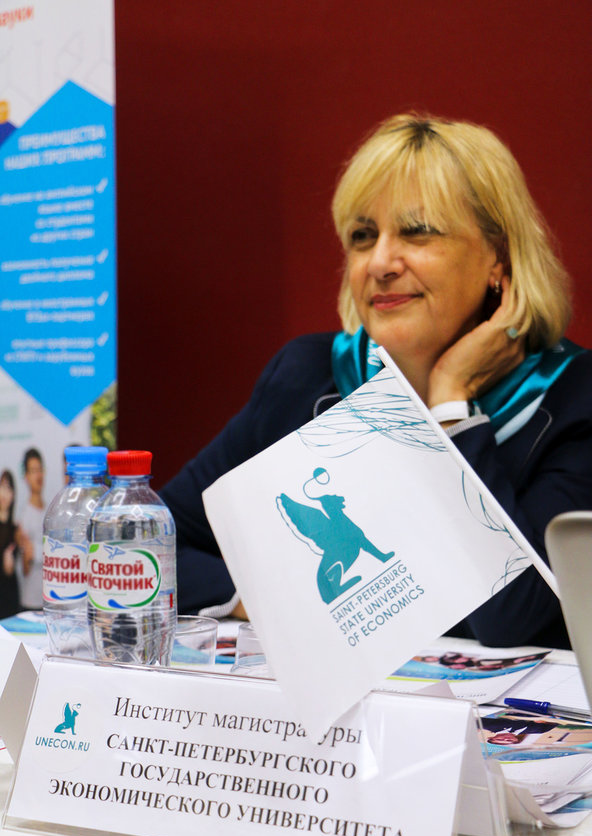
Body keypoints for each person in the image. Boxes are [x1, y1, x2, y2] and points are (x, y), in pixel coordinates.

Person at [160, 112, 592, 647]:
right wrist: (265, 602)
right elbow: (153, 540)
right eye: (363, 237)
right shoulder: (308, 375)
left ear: (497, 259)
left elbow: (512, 619)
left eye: (417, 232)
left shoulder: (573, 397)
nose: (381, 262)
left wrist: (450, 405)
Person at [18, 447, 45, 610]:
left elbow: (33, 553)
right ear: (26, 477)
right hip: (31, 602)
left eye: (40, 469)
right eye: (33, 471)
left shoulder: (50, 510)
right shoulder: (24, 516)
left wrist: (35, 551)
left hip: (49, 600)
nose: (38, 475)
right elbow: (24, 566)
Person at [0, 469, 20, 618]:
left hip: (9, 597)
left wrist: (9, 563)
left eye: (8, 488)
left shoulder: (16, 530)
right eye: (1, 486)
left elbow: (11, 569)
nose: (4, 493)